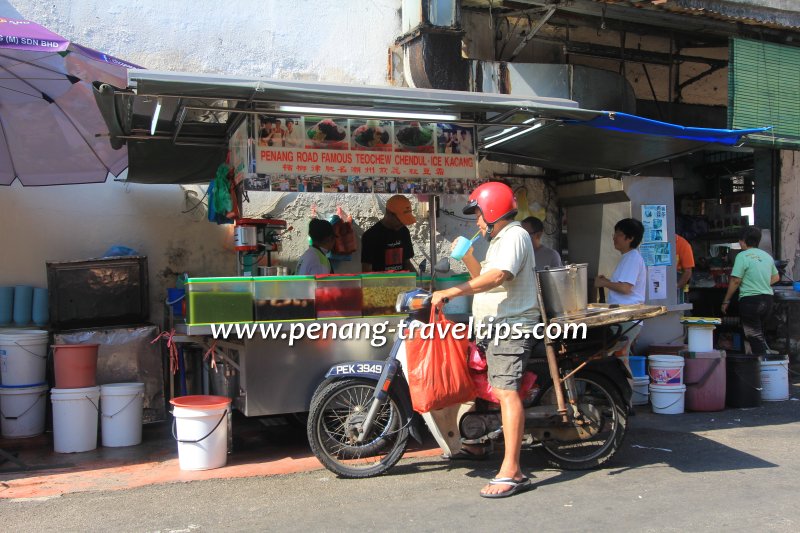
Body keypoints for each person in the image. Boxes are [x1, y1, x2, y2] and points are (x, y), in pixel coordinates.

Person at [431, 181, 539, 499]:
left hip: (511, 328)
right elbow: (485, 278)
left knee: (506, 393)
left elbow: (497, 277)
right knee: (485, 388)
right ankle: (478, 445)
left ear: (492, 210)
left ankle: (513, 471)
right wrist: (466, 258)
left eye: (478, 214)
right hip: (492, 328)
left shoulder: (515, 236)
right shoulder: (499, 240)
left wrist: (452, 291)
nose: (477, 221)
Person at [721, 226, 779, 355]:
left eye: (740, 240)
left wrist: (726, 301)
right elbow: (776, 277)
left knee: (754, 336)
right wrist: (761, 282)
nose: (740, 243)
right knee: (755, 334)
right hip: (767, 301)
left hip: (751, 302)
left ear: (743, 241)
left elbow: (735, 281)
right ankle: (752, 363)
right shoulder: (767, 256)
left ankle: (761, 369)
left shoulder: (742, 256)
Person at [594, 218, 647, 357]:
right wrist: (608, 281)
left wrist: (604, 283)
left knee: (617, 356)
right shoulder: (627, 257)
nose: (614, 238)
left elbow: (625, 288)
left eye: (618, 234)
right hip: (623, 316)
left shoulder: (633, 258)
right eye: (614, 234)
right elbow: (623, 285)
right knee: (620, 358)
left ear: (630, 238)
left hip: (627, 317)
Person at [361, 195, 416, 272]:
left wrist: (418, 280)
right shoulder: (371, 236)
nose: (402, 223)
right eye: (400, 219)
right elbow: (367, 270)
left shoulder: (404, 232)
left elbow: (407, 263)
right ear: (389, 213)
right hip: (380, 283)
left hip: (403, 282)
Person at [675, 234, 695, 302]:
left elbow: (688, 271)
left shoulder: (684, 245)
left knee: (682, 308)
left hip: (679, 284)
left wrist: (677, 287)